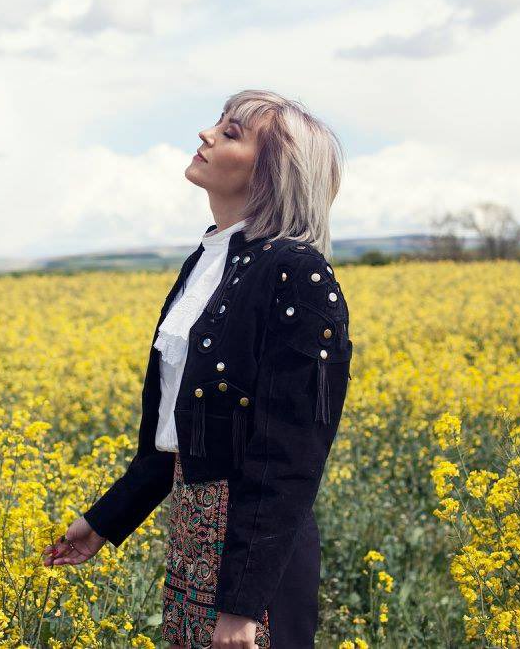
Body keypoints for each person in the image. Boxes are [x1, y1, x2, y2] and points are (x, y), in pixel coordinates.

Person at [44, 89, 353, 649]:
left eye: (232, 132)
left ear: (272, 173)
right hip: (192, 530)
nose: (206, 135)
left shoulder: (298, 276)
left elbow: (288, 457)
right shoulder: (207, 261)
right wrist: (104, 521)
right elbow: (179, 432)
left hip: (251, 550)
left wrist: (242, 607)